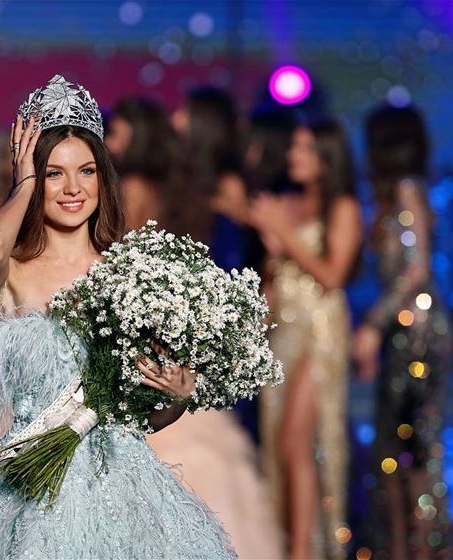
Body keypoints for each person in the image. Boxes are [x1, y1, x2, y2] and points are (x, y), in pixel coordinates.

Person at [0, 75, 237, 560]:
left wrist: (177, 396)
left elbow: (141, 416)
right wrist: (24, 179)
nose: (73, 188)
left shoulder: (130, 275)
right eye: (54, 173)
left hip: (119, 487)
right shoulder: (12, 270)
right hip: (26, 490)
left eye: (86, 171)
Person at [143, 88, 284, 560]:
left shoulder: (227, 186)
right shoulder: (183, 186)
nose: (176, 118)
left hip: (223, 327)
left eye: (186, 113)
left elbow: (253, 256)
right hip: (191, 324)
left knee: (226, 445)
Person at [251, 119, 362, 559]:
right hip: (286, 328)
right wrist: (275, 249)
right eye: (294, 146)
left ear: (327, 157)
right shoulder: (288, 204)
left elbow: (333, 275)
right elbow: (276, 280)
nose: (294, 155)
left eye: (305, 148)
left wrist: (285, 235)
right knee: (280, 440)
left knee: (298, 439)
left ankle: (301, 551)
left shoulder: (344, 207)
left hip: (321, 332)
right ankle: (293, 541)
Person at [353, 104, 453, 559]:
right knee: (400, 452)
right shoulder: (396, 195)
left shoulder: (409, 190)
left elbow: (416, 271)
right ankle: (405, 547)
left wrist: (372, 325)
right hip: (407, 330)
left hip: (417, 333)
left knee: (412, 452)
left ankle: (420, 550)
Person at [105, 95, 177, 231]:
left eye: (114, 134)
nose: (108, 143)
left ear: (138, 138)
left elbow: (124, 245)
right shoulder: (166, 184)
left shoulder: (134, 187)